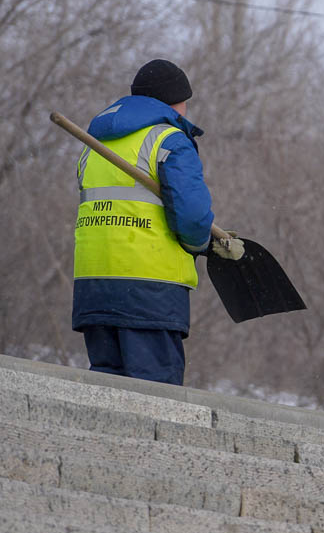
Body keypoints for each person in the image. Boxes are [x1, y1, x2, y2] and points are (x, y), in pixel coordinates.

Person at [73, 59, 242, 386]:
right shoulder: (170, 139)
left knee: (105, 395)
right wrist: (203, 245)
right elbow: (192, 217)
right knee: (155, 399)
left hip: (93, 286)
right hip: (149, 290)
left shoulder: (93, 147)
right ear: (175, 102)